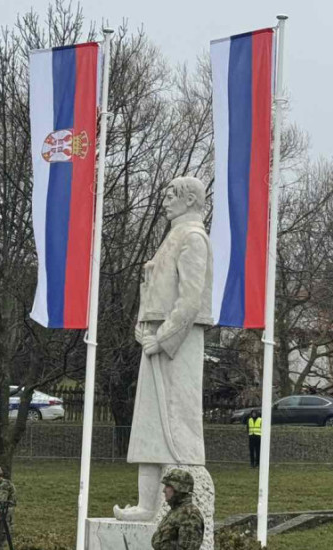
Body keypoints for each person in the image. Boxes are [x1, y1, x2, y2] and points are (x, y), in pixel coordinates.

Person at [114, 177, 213, 522]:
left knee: (175, 422)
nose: (165, 200)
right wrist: (144, 329)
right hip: (156, 339)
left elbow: (190, 301)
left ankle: (176, 499)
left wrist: (165, 338)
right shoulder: (173, 236)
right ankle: (147, 505)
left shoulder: (193, 238)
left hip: (177, 343)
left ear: (189, 200)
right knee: (149, 425)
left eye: (172, 194)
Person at [151, 469, 203, 550]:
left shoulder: (189, 515)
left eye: (168, 486)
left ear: (178, 489)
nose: (164, 490)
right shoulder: (176, 511)